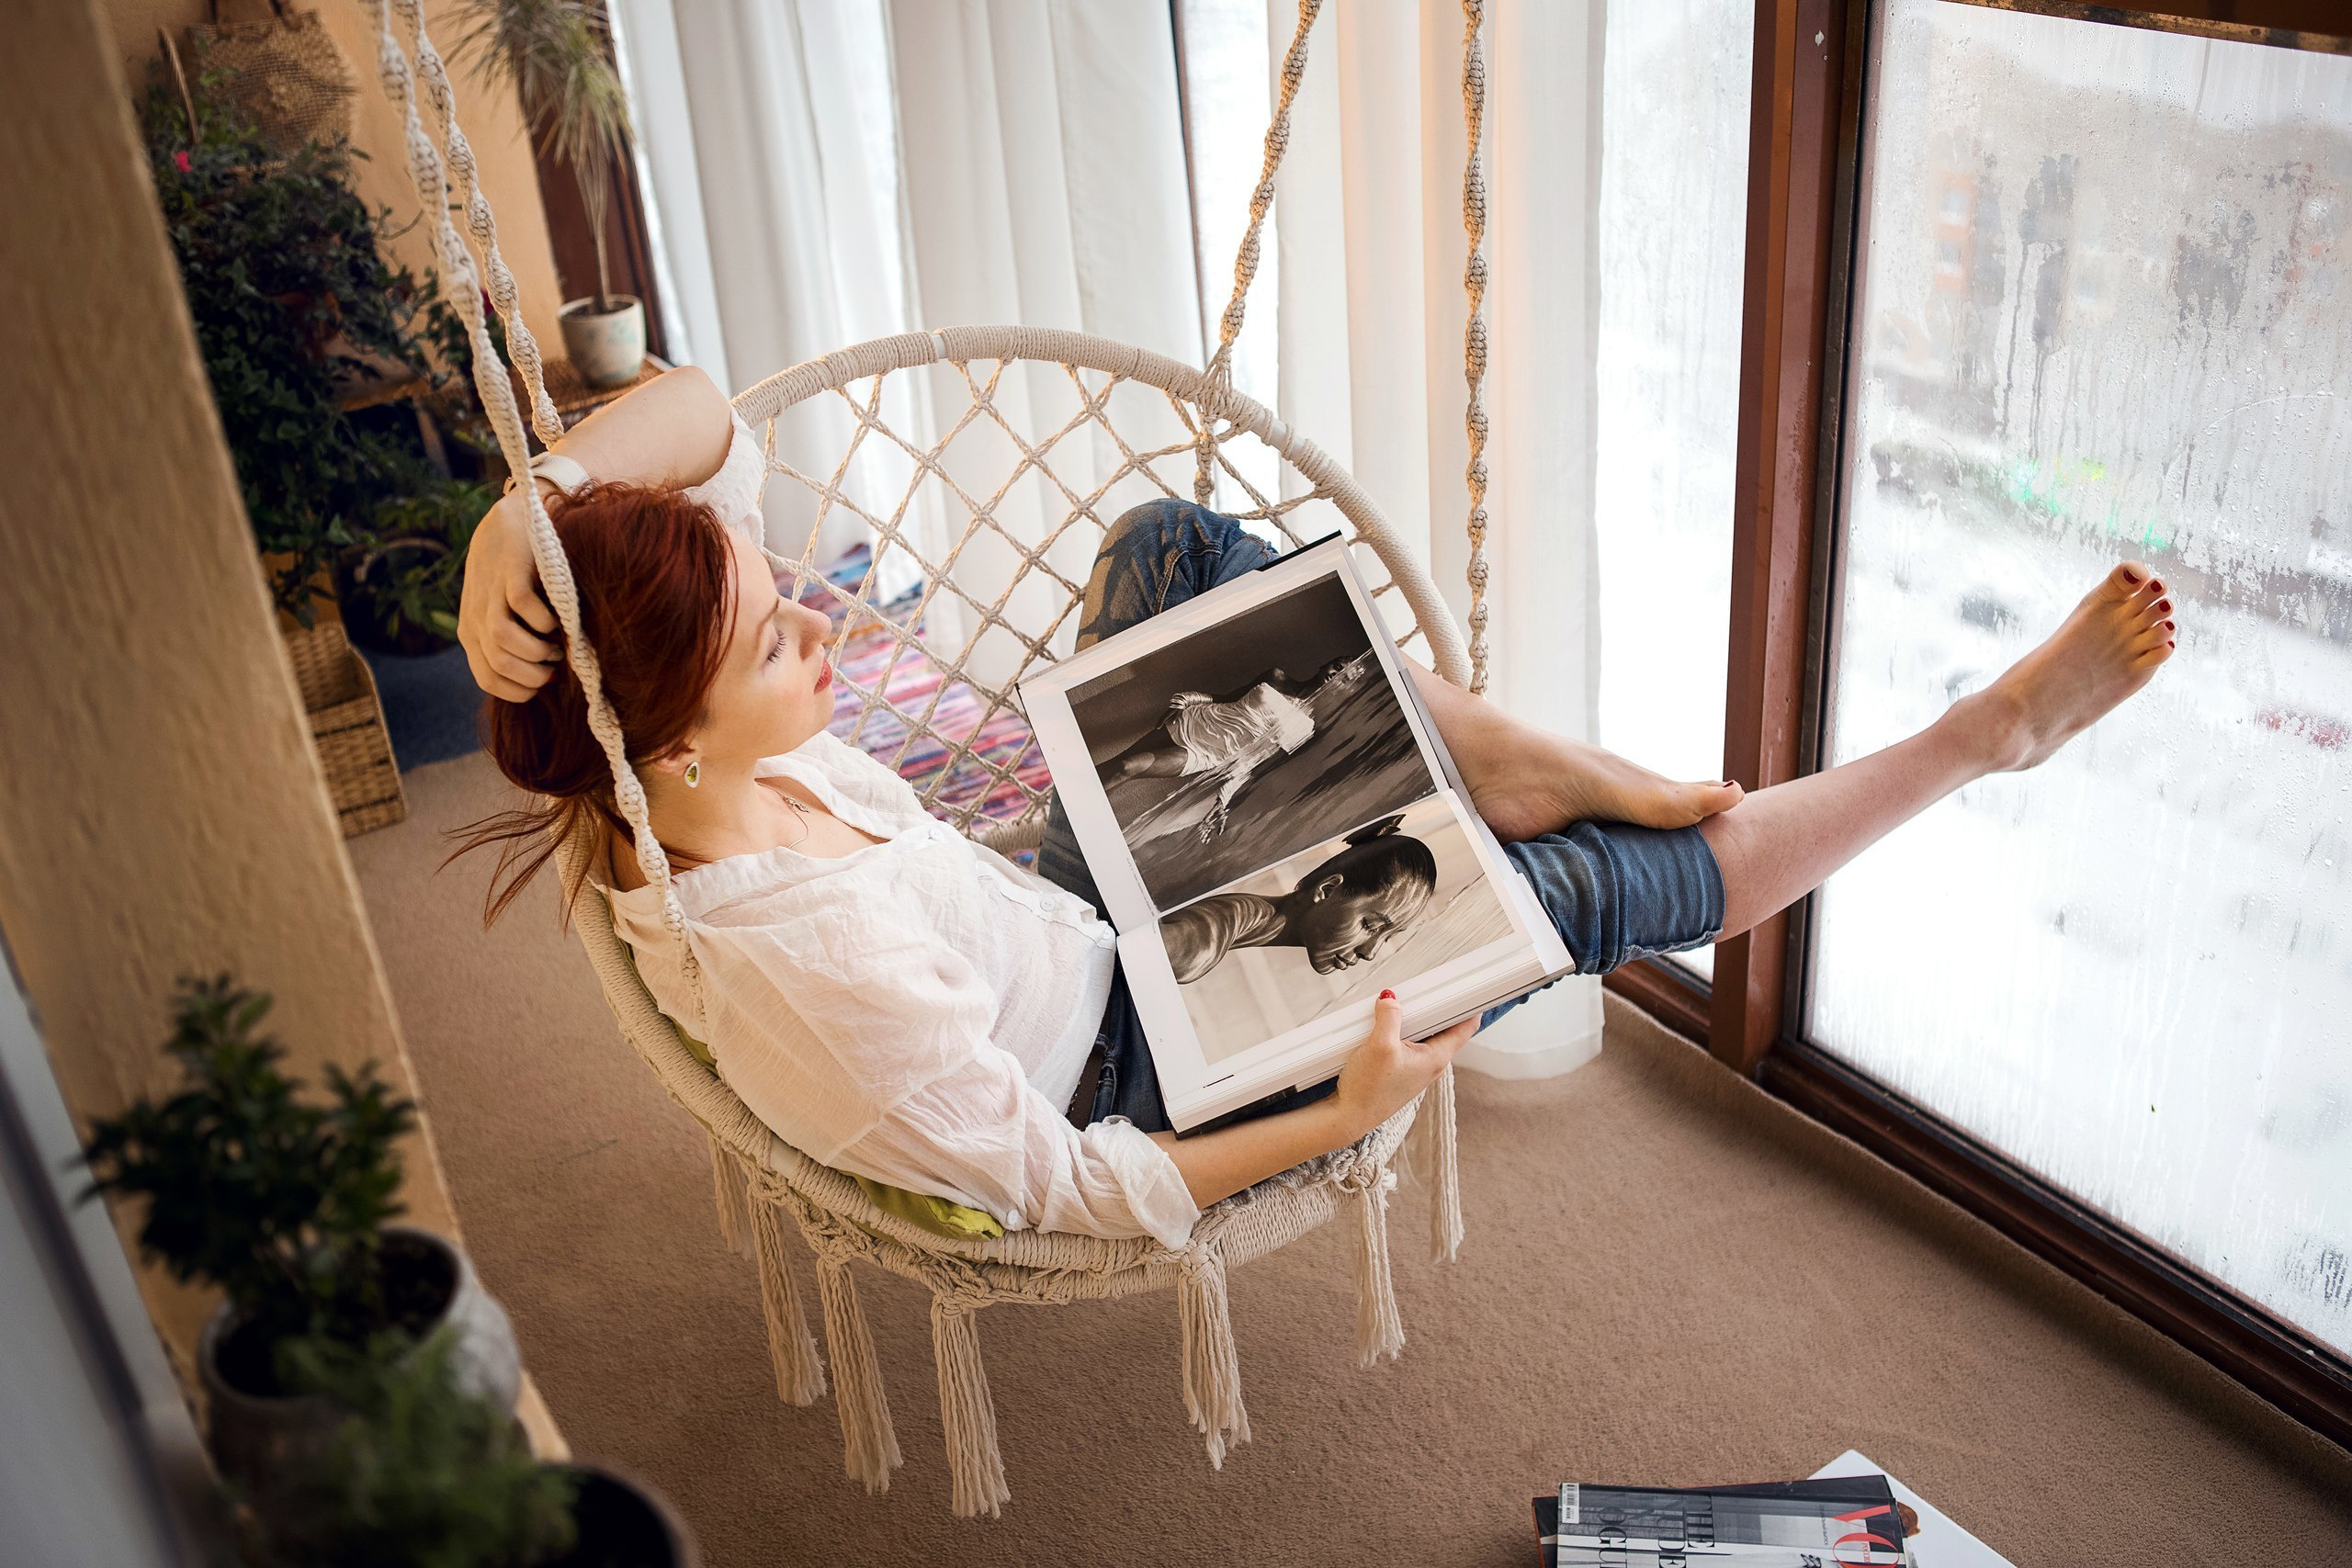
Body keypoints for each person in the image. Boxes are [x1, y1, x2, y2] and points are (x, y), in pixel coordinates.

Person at [455, 367, 2177, 1249]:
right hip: (1138, 1050)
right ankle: (1978, 739)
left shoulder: (671, 752)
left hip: (1072, 916)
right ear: (673, 748)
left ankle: (1481, 738)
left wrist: (521, 514)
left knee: (1163, 554)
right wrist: (1344, 1103)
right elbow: (1078, 1182)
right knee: (1564, 893)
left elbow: (707, 418)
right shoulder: (802, 972)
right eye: (783, 632)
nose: (828, 621)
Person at [1104, 654, 1369, 840]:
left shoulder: (1303, 728)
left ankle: (1080, 813)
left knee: (1127, 766)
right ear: (1326, 664)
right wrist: (1186, 699)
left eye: (1346, 679)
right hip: (1193, 721)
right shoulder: (1276, 676)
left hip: (1206, 754)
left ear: (1344, 691)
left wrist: (1224, 799)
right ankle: (1066, 795)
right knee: (1109, 766)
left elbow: (1253, 762)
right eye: (1338, 666)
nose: (1337, 675)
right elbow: (1227, 698)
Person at [1159, 814, 1436, 983]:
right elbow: (1179, 953)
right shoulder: (1232, 918)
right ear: (1326, 890)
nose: (1370, 952)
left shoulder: (1246, 920)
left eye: (1387, 937)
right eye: (1370, 926)